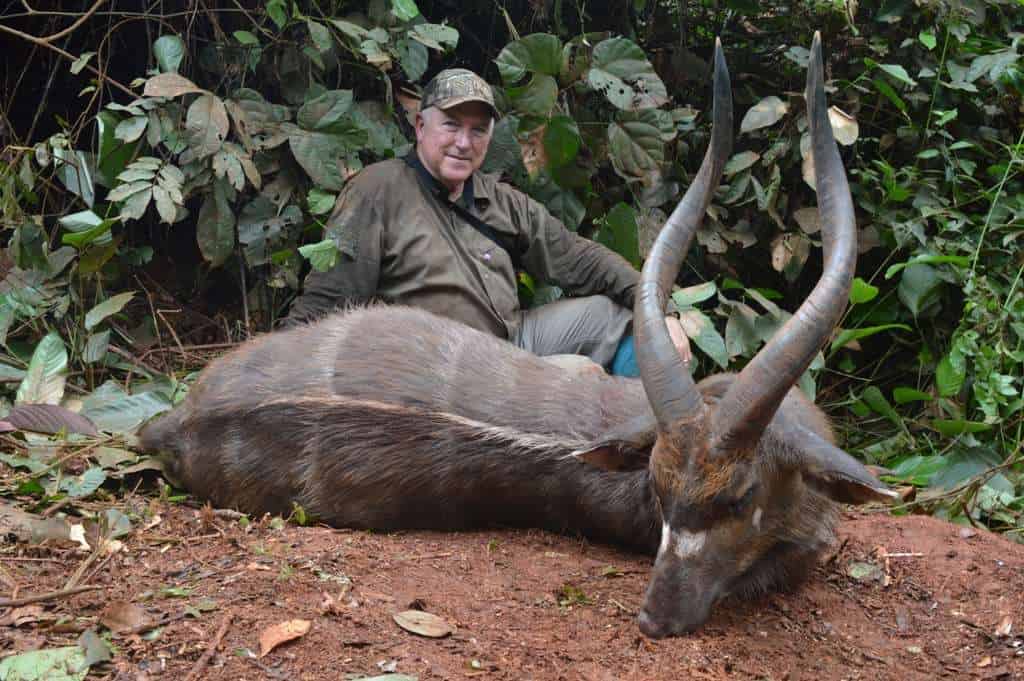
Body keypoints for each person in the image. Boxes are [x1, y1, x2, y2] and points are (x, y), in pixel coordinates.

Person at [284, 68, 691, 374]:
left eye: (478, 130)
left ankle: (651, 456)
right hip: (439, 369)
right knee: (577, 379)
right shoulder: (378, 189)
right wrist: (273, 368)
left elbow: (581, 259)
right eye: (451, 125)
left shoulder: (500, 200)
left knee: (623, 320)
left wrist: (661, 314)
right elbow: (326, 302)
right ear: (420, 126)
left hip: (511, 341)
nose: (464, 142)